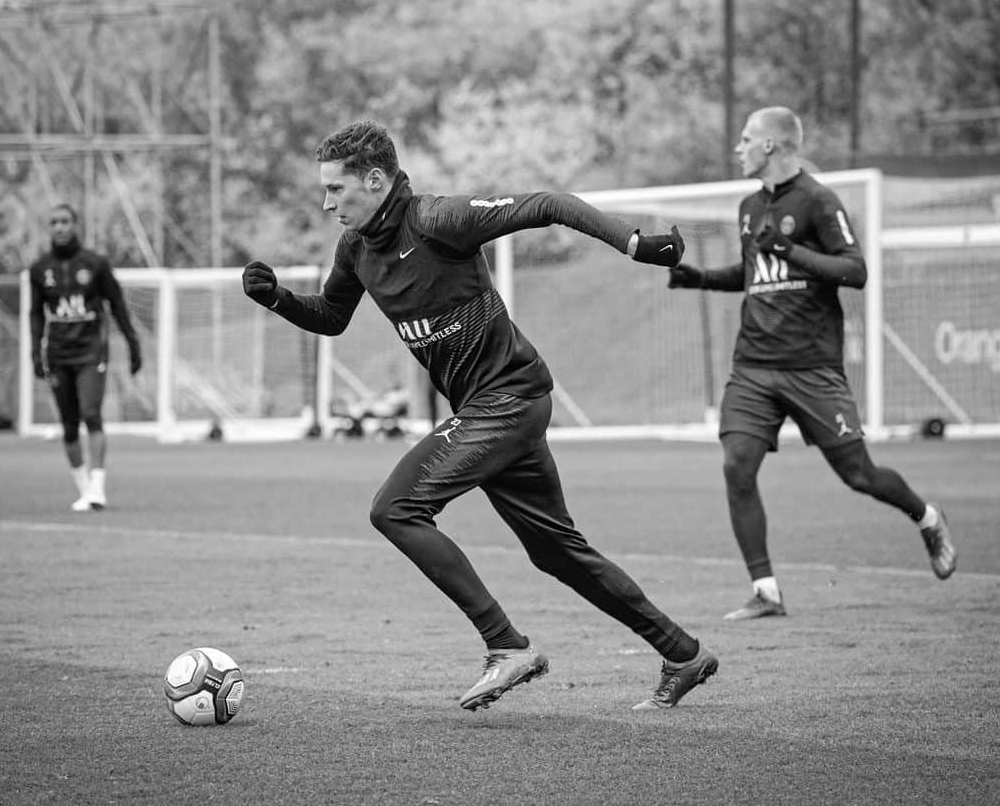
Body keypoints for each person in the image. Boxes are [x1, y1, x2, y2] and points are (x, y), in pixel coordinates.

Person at [243, 120, 717, 711]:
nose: (326, 202)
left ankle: (506, 645)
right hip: (490, 409)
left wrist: (636, 244)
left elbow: (547, 204)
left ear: (374, 178)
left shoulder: (439, 220)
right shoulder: (356, 248)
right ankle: (682, 653)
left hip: (509, 399)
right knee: (555, 551)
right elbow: (331, 317)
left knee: (396, 508)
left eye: (336, 189)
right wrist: (277, 299)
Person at [667, 106, 957, 621]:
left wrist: (791, 250)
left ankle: (928, 517)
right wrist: (702, 279)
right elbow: (756, 271)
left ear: (772, 146)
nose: (738, 148)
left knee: (859, 475)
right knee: (737, 465)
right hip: (753, 365)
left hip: (811, 367)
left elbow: (856, 270)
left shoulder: (820, 201)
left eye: (746, 139)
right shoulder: (748, 207)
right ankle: (766, 591)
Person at [28, 203, 142, 511]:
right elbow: (36, 315)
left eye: (65, 221)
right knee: (68, 425)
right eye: (54, 222)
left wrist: (133, 344)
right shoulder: (40, 270)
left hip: (91, 352)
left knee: (91, 414)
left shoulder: (95, 264)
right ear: (48, 227)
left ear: (75, 224)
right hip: (58, 353)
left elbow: (118, 305)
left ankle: (98, 488)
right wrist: (35, 353)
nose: (60, 227)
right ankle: (84, 491)